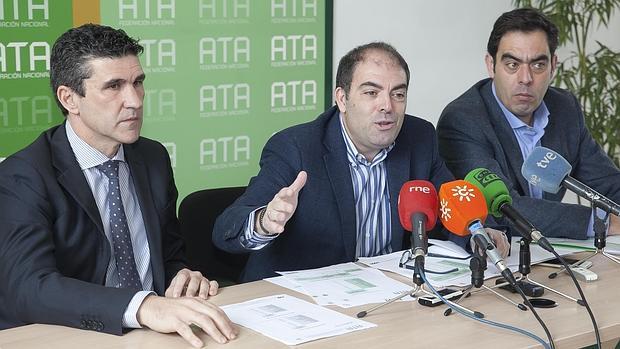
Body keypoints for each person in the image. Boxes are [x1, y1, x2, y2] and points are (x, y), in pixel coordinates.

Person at [0, 24, 236, 348]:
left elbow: (169, 253)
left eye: (138, 83)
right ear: (69, 98)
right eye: (114, 86)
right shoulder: (23, 176)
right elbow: (30, 288)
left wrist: (183, 277)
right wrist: (142, 306)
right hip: (73, 337)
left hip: (155, 336)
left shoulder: (152, 157)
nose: (134, 101)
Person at [213, 42, 509, 282]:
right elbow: (226, 229)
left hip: (389, 297)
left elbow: (450, 211)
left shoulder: (419, 138)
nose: (387, 106)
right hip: (303, 304)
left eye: (398, 94)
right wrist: (265, 221)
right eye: (371, 93)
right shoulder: (296, 148)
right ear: (342, 99)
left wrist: (477, 235)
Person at [437, 8, 620, 240]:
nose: (525, 78)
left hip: (550, 253)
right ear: (490, 65)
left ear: (553, 65)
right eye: (512, 65)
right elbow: (504, 210)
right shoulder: (462, 119)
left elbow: (607, 182)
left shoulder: (565, 108)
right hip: (497, 257)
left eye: (538, 65)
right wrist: (603, 222)